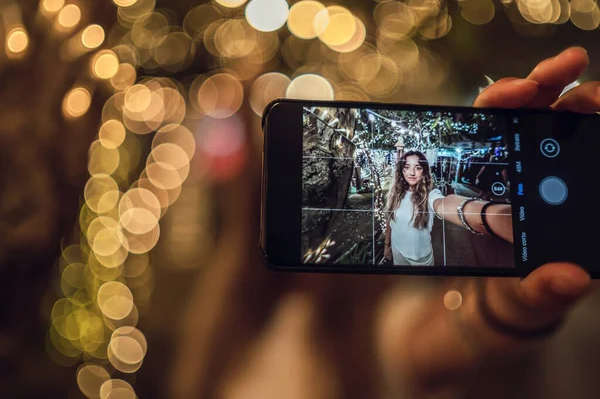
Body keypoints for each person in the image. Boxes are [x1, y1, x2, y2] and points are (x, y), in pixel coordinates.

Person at [169, 47, 600, 399]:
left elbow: (435, 338)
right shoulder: (223, 333)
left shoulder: (376, 321)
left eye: (326, 188)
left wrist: (505, 304)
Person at [383, 150, 512, 266]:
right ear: (402, 170)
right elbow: (391, 221)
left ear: (424, 171)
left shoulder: (430, 194)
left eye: (418, 168)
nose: (412, 172)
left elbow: (443, 204)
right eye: (407, 167)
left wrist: (487, 214)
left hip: (419, 258)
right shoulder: (395, 193)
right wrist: (387, 245)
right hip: (397, 250)